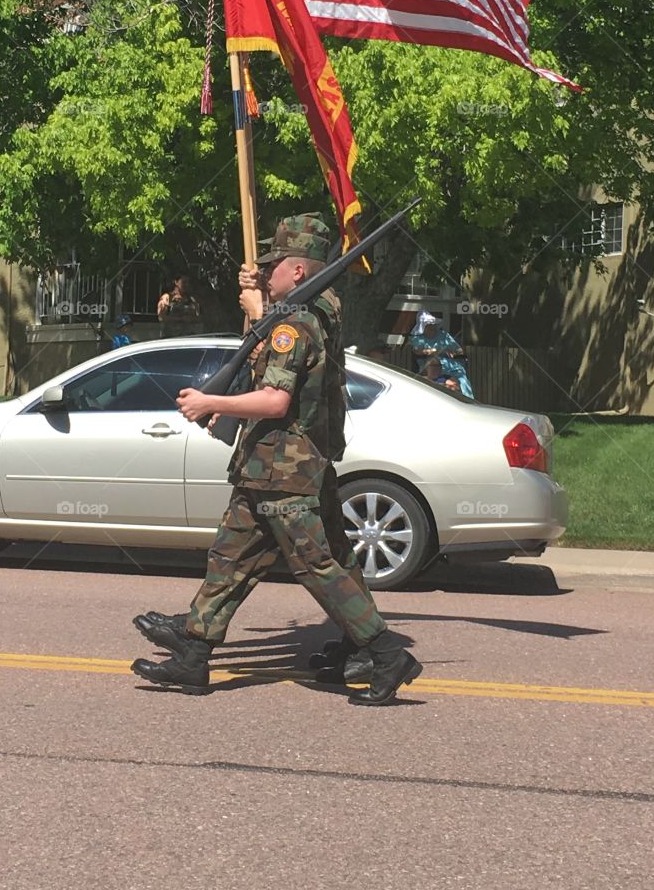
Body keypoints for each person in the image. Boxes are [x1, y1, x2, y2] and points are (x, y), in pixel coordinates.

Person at [131, 214, 422, 706]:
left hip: (285, 471)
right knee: (232, 556)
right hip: (270, 468)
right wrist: (259, 307)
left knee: (318, 566)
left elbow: (274, 400)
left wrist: (210, 403)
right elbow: (265, 354)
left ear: (300, 273)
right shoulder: (309, 313)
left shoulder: (295, 324)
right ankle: (194, 651)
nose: (267, 272)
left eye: (275, 266)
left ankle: (384, 651)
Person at [411, 310, 474, 398]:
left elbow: (459, 351)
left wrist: (453, 352)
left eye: (433, 325)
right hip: (431, 367)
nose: (432, 327)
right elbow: (417, 351)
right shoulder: (418, 338)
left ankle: (469, 404)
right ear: (423, 328)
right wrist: (436, 351)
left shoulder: (444, 335)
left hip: (451, 366)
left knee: (462, 380)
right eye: (428, 325)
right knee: (444, 384)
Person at [157, 273, 201, 338]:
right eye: (184, 282)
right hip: (170, 337)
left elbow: (198, 317)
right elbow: (161, 317)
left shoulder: (192, 299)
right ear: (176, 282)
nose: (186, 285)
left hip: (188, 337)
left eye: (188, 282)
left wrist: (191, 319)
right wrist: (180, 319)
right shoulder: (167, 298)